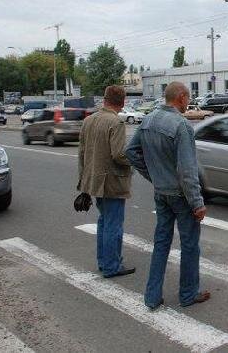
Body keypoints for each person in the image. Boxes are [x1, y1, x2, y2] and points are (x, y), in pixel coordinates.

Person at [125, 82, 210, 310]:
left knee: (161, 243)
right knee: (190, 244)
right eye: (188, 98)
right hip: (181, 196)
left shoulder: (149, 120)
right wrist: (198, 203)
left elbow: (131, 152)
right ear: (181, 97)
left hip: (161, 193)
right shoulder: (182, 126)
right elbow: (187, 170)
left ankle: (152, 297)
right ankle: (188, 293)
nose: (188, 102)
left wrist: (153, 175)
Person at [78, 85, 135, 278]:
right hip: (112, 182)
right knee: (113, 225)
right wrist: (134, 160)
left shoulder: (88, 120)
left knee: (104, 222)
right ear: (123, 102)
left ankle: (104, 262)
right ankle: (112, 266)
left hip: (94, 181)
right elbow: (119, 155)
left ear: (104, 99)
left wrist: (83, 183)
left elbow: (82, 154)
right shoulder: (116, 122)